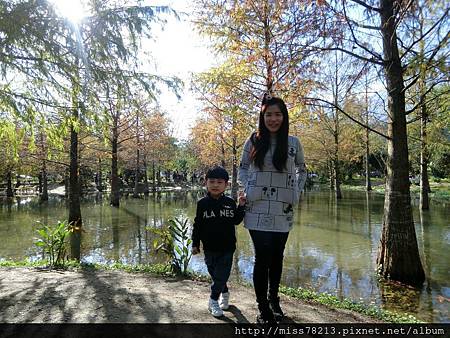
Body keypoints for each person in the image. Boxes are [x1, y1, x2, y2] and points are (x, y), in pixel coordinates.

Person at [238, 93, 307, 324]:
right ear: (262, 116)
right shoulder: (254, 140)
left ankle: (274, 299)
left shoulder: (293, 143)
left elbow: (302, 170)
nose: (273, 119)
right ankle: (262, 307)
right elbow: (242, 168)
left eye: (278, 114)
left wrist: (296, 191)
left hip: (283, 209)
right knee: (262, 256)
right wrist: (249, 188)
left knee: (277, 256)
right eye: (269, 114)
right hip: (256, 207)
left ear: (284, 117)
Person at [191, 166, 246, 318]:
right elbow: (198, 224)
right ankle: (225, 292)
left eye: (220, 182)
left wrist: (241, 206)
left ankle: (213, 301)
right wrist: (195, 243)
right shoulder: (202, 203)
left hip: (227, 247)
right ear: (205, 183)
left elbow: (236, 220)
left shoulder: (229, 202)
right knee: (215, 274)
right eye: (212, 181)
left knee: (222, 273)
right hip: (209, 247)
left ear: (226, 185)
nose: (215, 185)